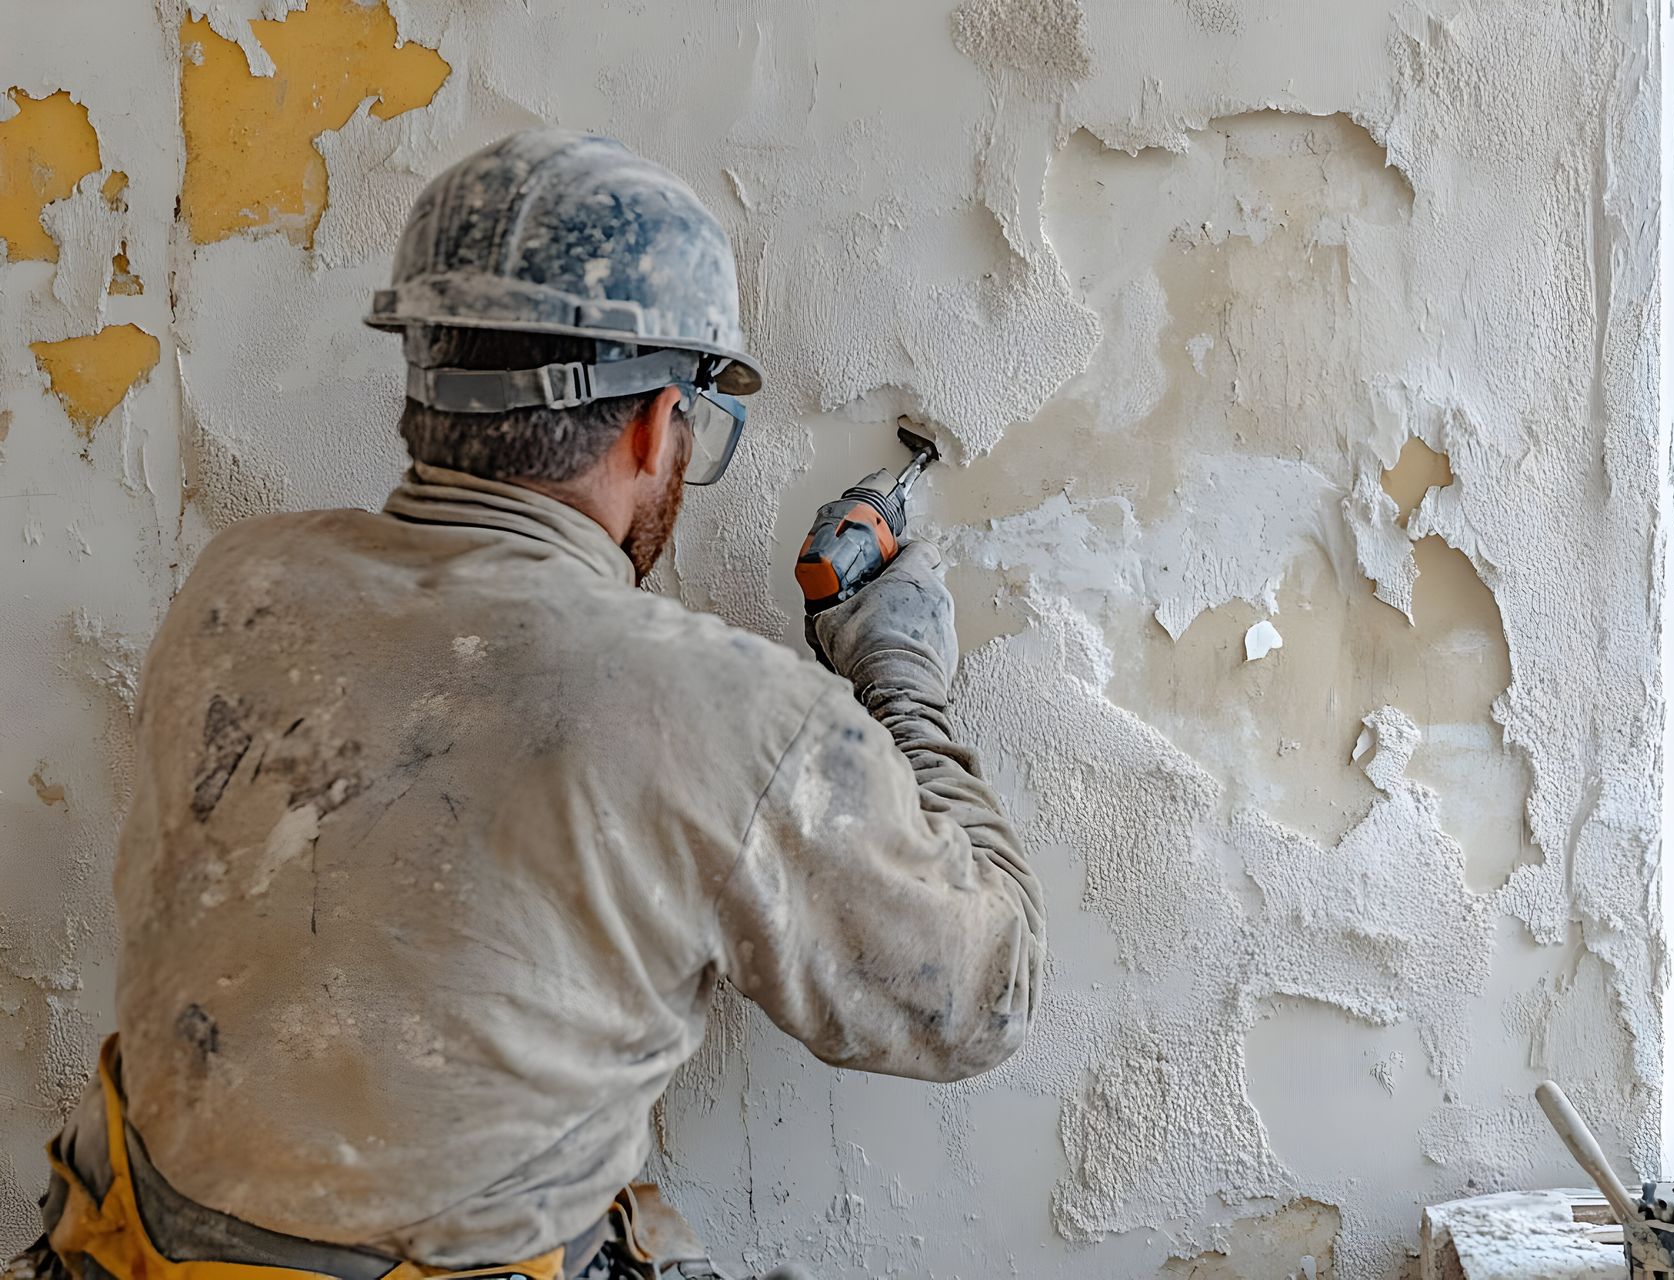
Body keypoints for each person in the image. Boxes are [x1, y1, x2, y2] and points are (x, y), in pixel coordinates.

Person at [7, 129, 1044, 1280]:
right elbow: (980, 1000)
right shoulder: (724, 708)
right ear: (658, 423)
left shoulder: (233, 586)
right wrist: (899, 673)